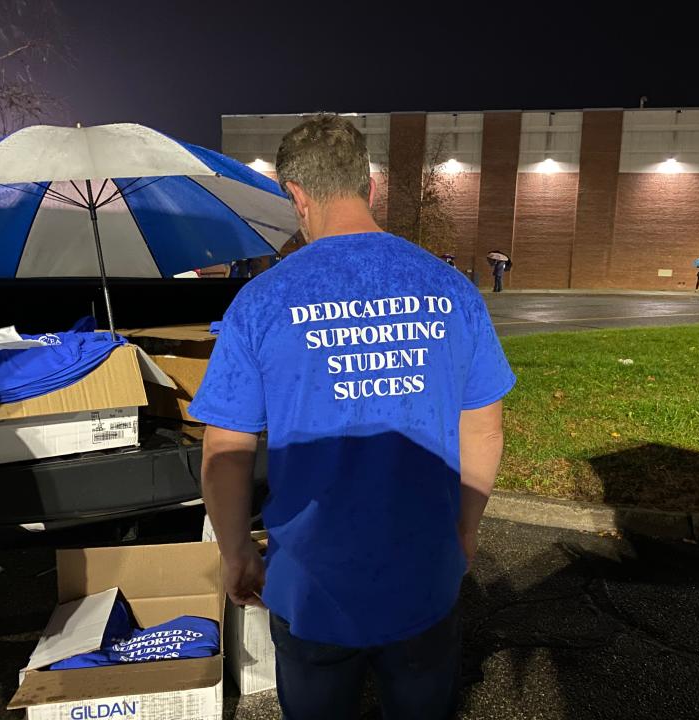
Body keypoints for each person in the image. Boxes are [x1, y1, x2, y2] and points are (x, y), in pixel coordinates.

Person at [191, 113, 516, 720]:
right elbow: (484, 427)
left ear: (296, 195)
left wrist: (237, 552)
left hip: (312, 584)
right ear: (368, 187)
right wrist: (465, 530)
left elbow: (224, 447)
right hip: (424, 574)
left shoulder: (261, 301)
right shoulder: (452, 290)